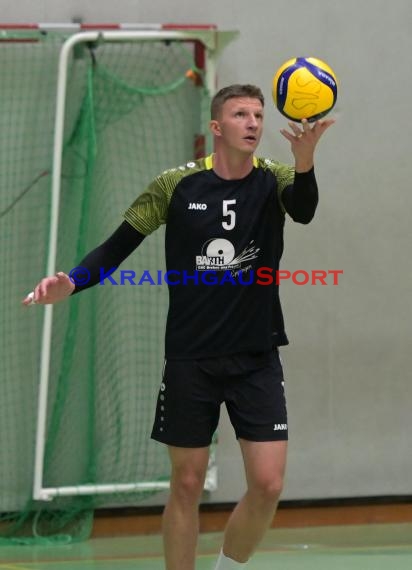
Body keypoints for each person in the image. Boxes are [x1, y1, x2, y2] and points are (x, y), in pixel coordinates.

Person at [22, 84, 334, 570]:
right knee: (186, 483)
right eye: (240, 114)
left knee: (269, 484)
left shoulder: (275, 178)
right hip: (191, 358)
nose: (253, 122)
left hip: (256, 356)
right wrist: (72, 282)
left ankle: (227, 567)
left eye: (258, 114)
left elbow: (305, 210)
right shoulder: (175, 186)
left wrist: (307, 161)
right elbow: (116, 246)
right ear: (216, 127)